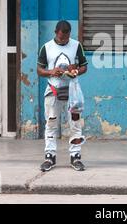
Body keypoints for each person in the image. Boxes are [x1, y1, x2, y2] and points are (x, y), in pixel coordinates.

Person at [37, 20, 88, 172]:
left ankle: (76, 157)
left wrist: (76, 70)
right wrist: (52, 71)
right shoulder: (46, 47)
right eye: (60, 38)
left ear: (69, 34)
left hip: (72, 91)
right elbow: (40, 70)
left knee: (75, 124)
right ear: (56, 33)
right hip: (53, 90)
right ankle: (49, 157)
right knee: (51, 124)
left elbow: (84, 66)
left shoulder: (76, 45)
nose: (63, 40)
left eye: (65, 38)